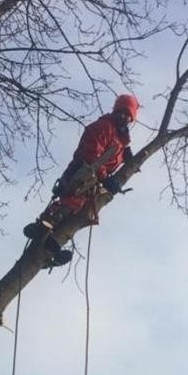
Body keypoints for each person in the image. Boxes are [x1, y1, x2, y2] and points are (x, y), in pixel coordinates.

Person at [23, 93, 139, 268]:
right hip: (83, 173)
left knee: (83, 215)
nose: (124, 117)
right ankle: (43, 226)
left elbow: (111, 159)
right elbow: (92, 152)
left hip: (95, 182)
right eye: (122, 112)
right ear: (116, 110)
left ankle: (51, 247)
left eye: (128, 115)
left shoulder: (121, 141)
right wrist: (105, 177)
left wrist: (124, 157)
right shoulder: (104, 126)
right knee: (72, 202)